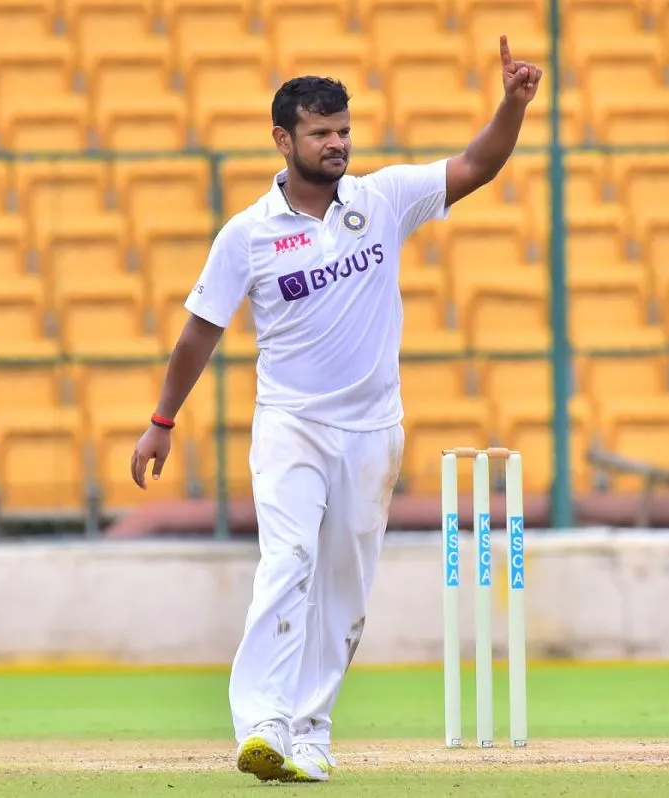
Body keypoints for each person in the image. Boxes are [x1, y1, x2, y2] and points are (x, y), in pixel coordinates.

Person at [129, 35, 543, 783]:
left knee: (345, 587)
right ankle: (263, 724)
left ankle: (312, 734)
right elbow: (199, 332)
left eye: (344, 130)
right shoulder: (247, 235)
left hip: (373, 431)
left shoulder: (381, 199)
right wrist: (162, 421)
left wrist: (510, 105)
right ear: (283, 140)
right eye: (321, 132)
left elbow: (477, 165)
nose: (338, 144)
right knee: (287, 560)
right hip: (290, 424)